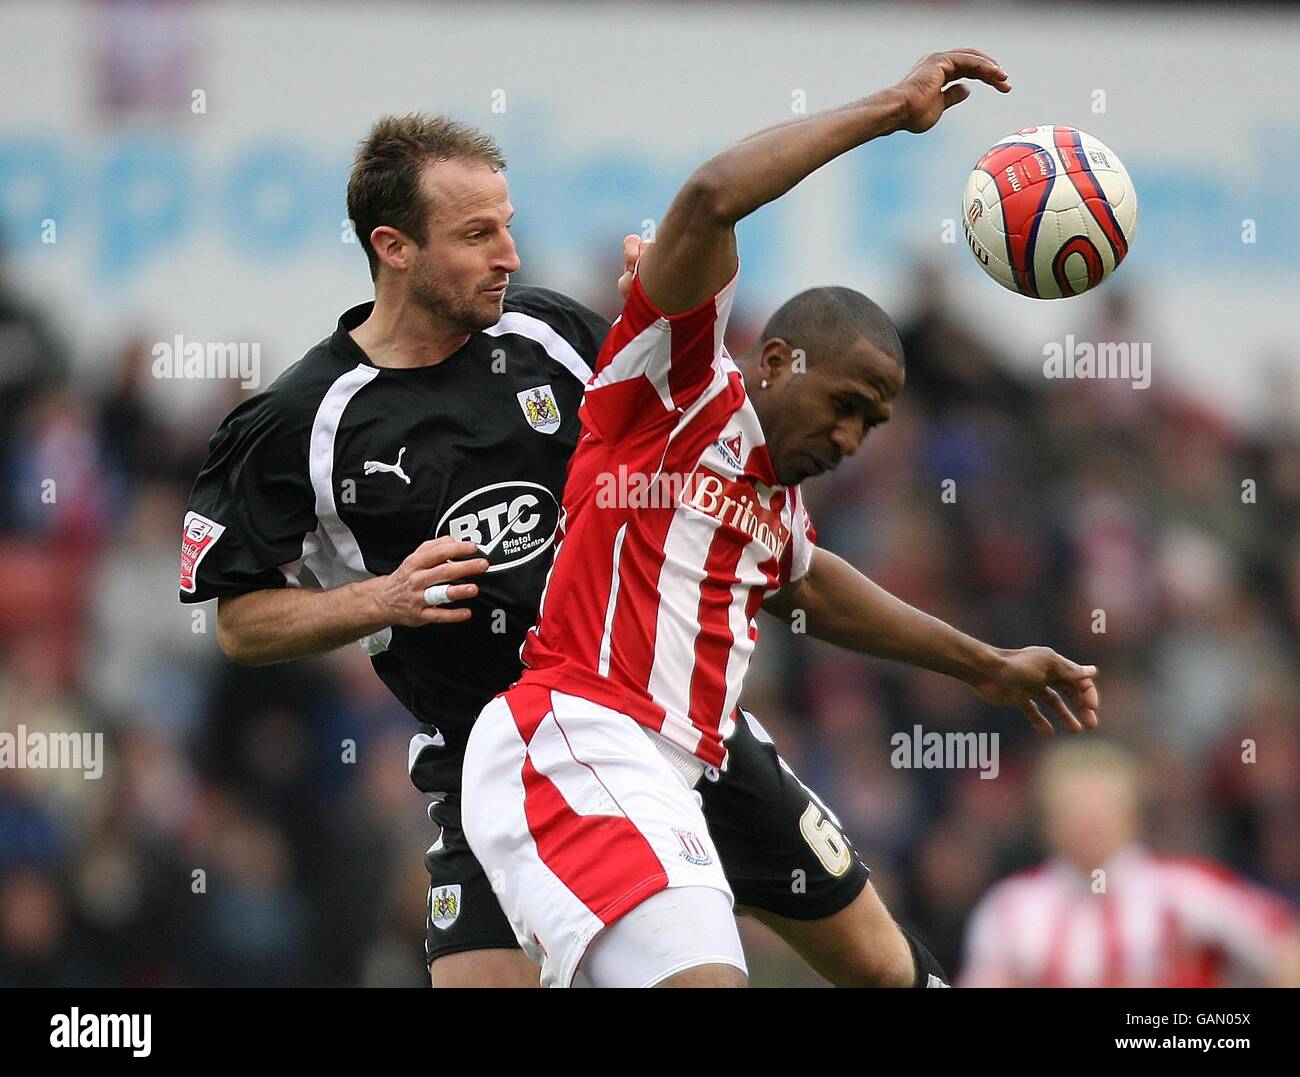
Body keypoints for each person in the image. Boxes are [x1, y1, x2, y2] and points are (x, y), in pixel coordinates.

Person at [179, 113, 938, 989]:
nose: (508, 253)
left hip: (660, 721)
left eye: (508, 225)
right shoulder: (299, 421)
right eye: (477, 235)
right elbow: (239, 623)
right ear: (393, 247)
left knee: (886, 969)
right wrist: (376, 601)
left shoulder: (549, 336)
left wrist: (655, 308)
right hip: (490, 756)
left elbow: (690, 445)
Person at [460, 48, 1101, 989]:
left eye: (874, 424)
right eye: (846, 403)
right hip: (583, 732)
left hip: (698, 764)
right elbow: (711, 196)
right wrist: (888, 110)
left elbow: (812, 584)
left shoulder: (775, 499)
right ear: (779, 359)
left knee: (894, 971)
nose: (852, 436)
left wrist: (989, 664)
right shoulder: (674, 386)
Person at [959, 740, 1300, 987]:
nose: (1090, 823)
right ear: (1047, 821)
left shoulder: (1187, 889)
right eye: (1075, 809)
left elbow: (1285, 949)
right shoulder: (1012, 906)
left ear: (1132, 815)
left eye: (1103, 808)